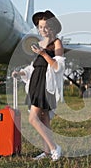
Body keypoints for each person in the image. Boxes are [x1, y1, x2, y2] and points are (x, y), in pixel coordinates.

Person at [27, 10, 65, 161]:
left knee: (33, 119)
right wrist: (22, 74)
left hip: (45, 84)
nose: (42, 30)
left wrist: (44, 54)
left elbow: (59, 67)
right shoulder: (40, 44)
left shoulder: (57, 43)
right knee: (44, 119)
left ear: (53, 28)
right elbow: (34, 67)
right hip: (36, 82)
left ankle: (55, 147)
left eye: (46, 27)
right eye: (40, 27)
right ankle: (47, 152)